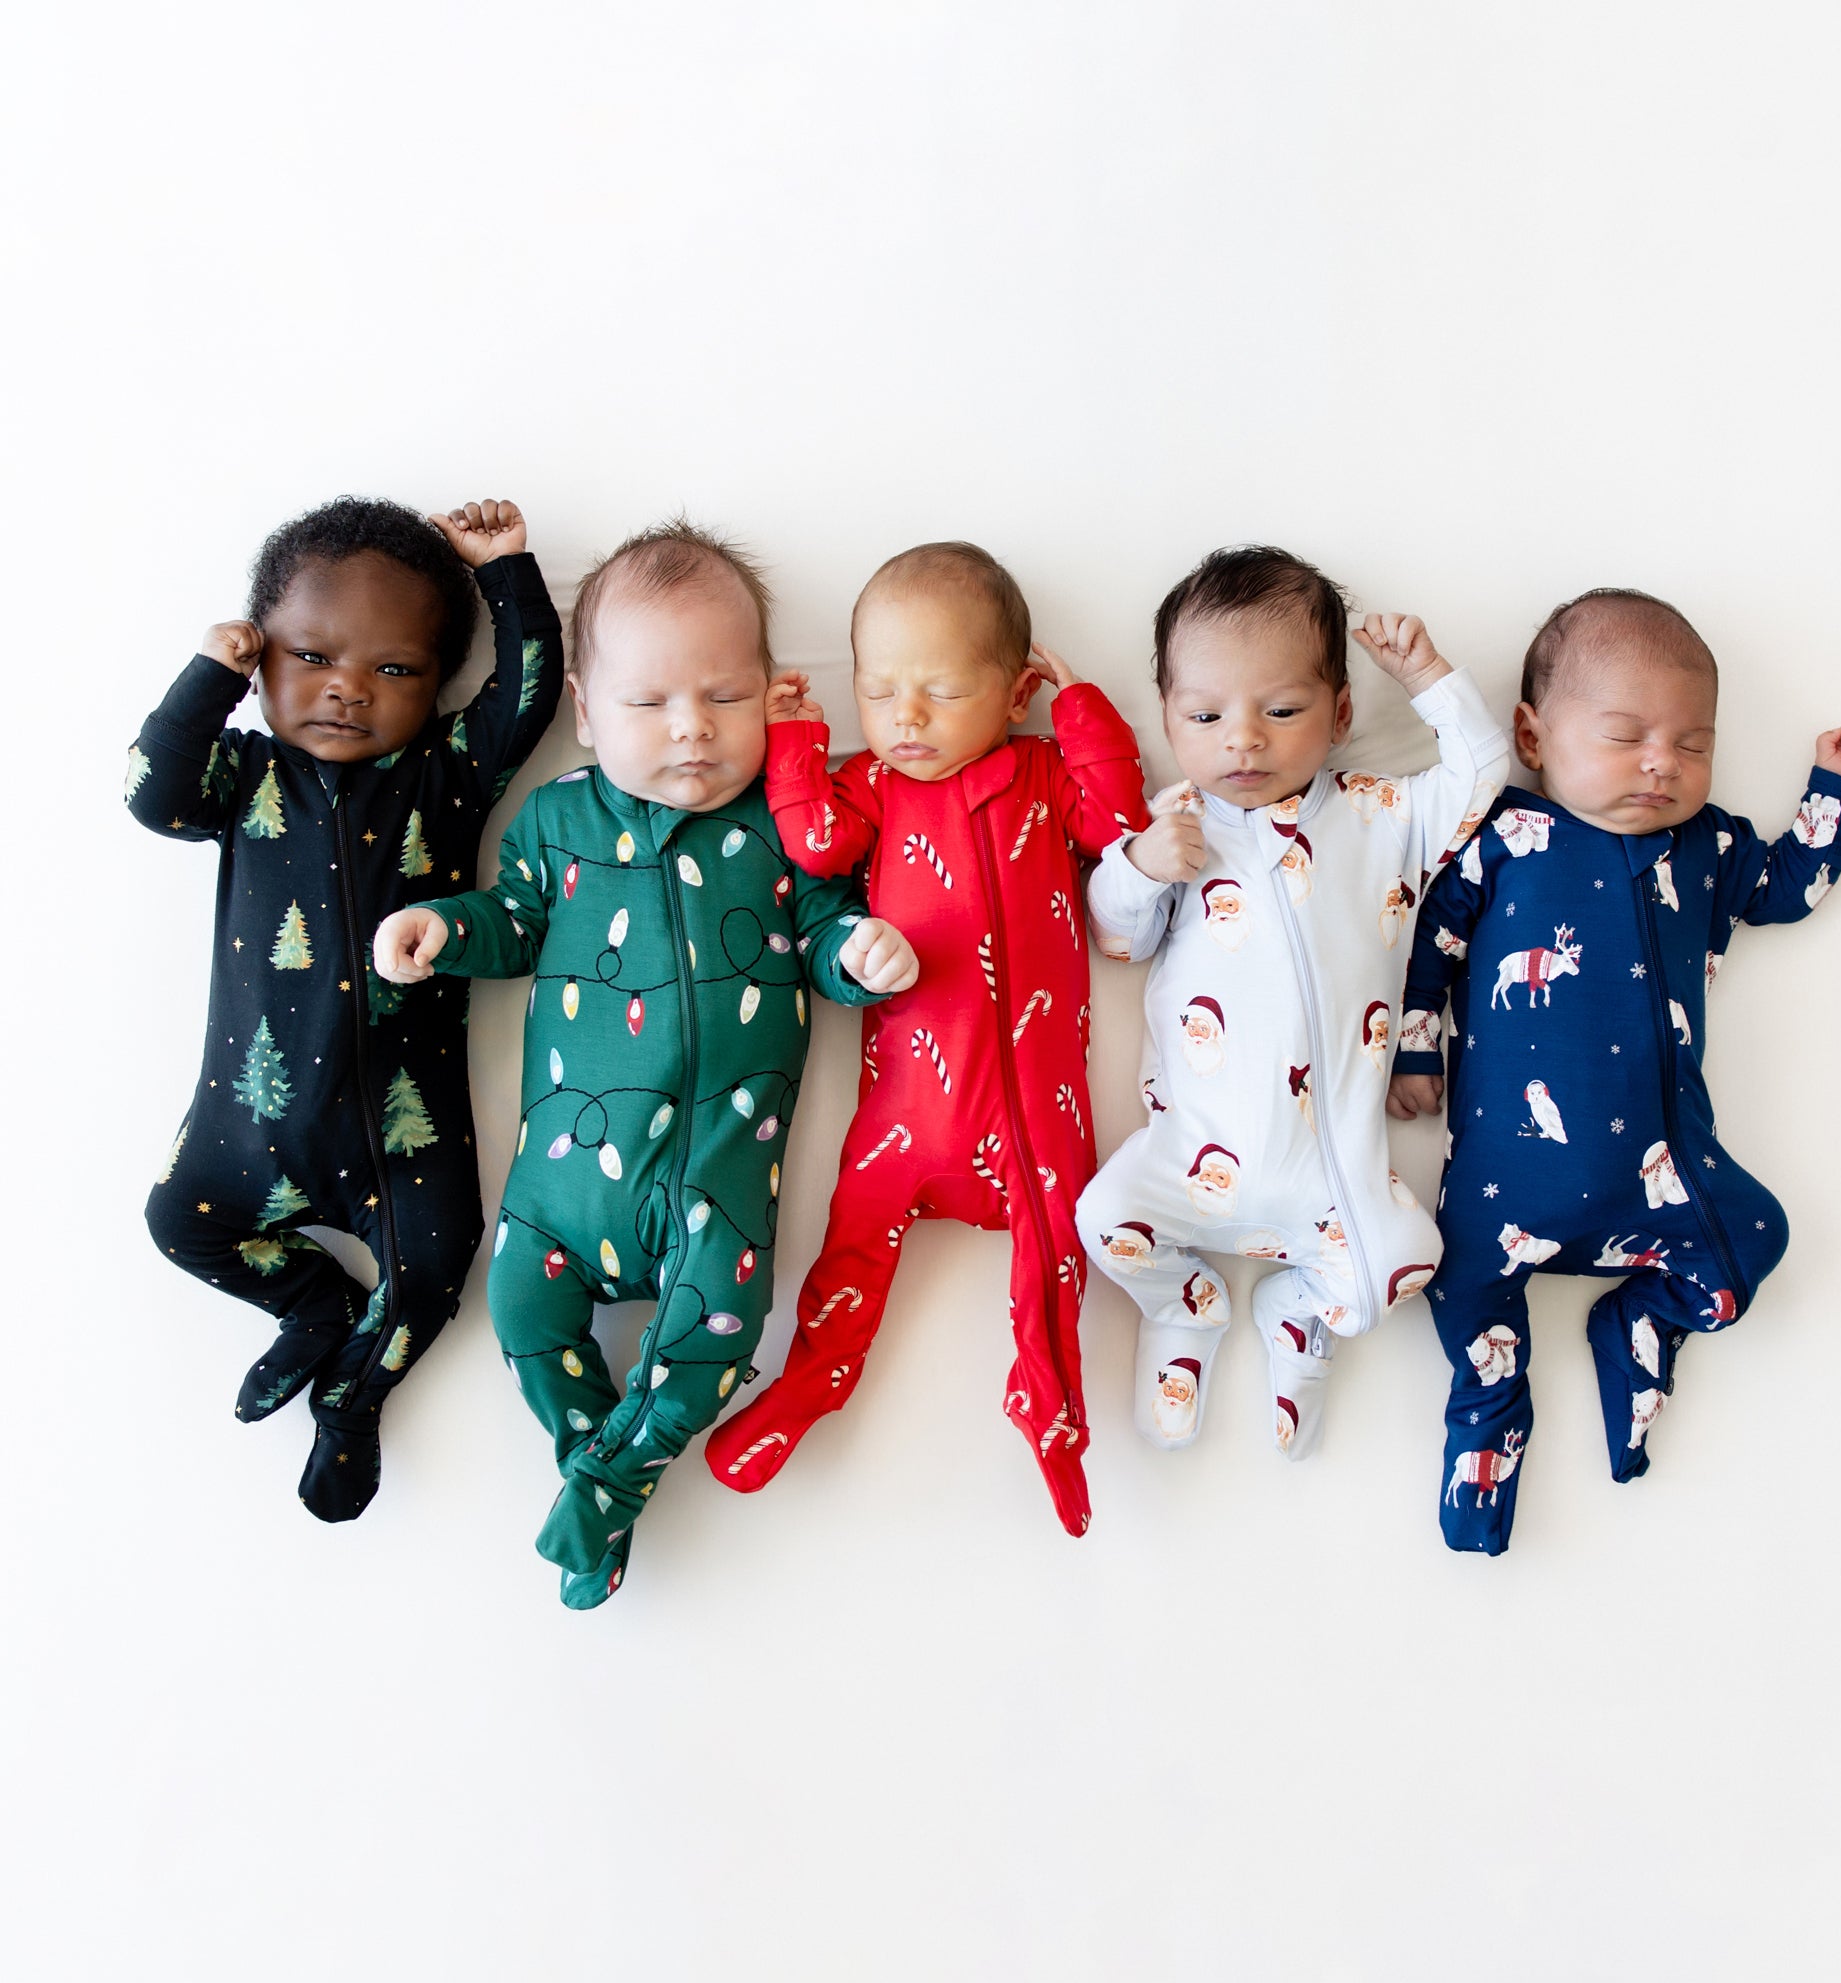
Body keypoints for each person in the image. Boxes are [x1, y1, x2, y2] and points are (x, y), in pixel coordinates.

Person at [375, 520, 914, 1606]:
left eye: (726, 696)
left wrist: (860, 954)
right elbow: (513, 922)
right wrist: (443, 926)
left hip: (718, 1179)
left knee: (726, 1327)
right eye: (649, 702)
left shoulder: (784, 826)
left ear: (772, 692)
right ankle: (592, 1456)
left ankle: (611, 1478)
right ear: (584, 710)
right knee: (519, 1310)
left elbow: (822, 933)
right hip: (562, 1186)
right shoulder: (556, 820)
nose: (692, 729)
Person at [1387, 587, 1841, 1553]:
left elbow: (1786, 889)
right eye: (1626, 737)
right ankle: (1488, 1427)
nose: (1662, 762)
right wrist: (1414, 1049)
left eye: (1693, 744)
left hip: (1665, 1180)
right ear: (1533, 736)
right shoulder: (1505, 838)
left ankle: (1642, 1324)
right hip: (1504, 1185)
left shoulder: (1706, 848)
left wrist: (1837, 794)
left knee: (1758, 1236)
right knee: (1463, 1293)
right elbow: (1431, 939)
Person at [702, 541, 1150, 1535]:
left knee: (1058, 1255)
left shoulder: (1040, 772)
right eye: (879, 691)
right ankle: (805, 1389)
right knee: (848, 1251)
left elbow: (1118, 821)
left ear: (1016, 691)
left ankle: (1052, 1410)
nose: (906, 717)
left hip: (1036, 1110)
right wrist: (796, 741)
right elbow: (813, 844)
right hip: (908, 1110)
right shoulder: (869, 787)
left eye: (941, 693)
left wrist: (1082, 713)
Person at [133, 496, 560, 1519]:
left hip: (402, 1135)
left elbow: (528, 691)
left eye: (395, 669)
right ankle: (314, 1307)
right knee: (176, 1224)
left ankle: (352, 1398)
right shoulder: (244, 775)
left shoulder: (448, 771)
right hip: (246, 1126)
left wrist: (506, 569)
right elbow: (153, 792)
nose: (347, 688)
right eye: (312, 655)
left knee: (434, 1272)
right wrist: (210, 675)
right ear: (263, 658)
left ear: (438, 681)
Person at [1076, 545, 1509, 1456]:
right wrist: (1138, 867)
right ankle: (1184, 1307)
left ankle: (1301, 1311)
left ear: (1341, 713)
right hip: (1189, 1157)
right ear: (1169, 716)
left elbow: (1479, 774)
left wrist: (1426, 677)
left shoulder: (1383, 814)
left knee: (1405, 1266)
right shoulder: (1177, 826)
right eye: (1206, 715)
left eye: (1280, 710)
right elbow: (1117, 938)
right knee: (1102, 1221)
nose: (1244, 739)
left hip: (1333, 1177)